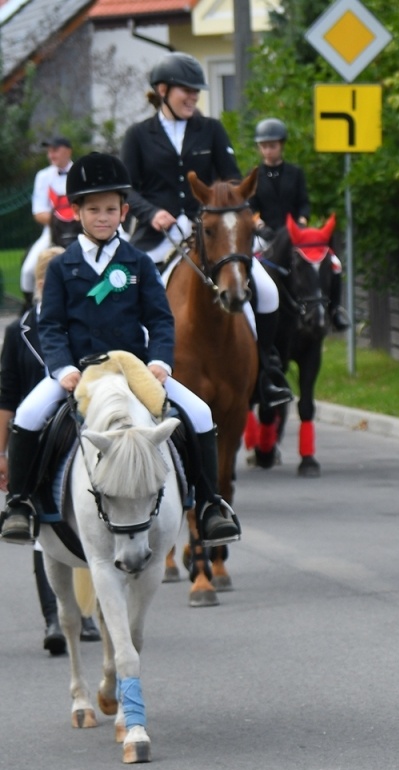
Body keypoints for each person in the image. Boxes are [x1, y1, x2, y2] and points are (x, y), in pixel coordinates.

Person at [0, 153, 241, 548]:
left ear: (124, 212)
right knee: (27, 415)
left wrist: (160, 362)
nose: (103, 217)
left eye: (111, 210)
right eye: (94, 209)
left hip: (134, 370)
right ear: (76, 212)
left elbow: (160, 320)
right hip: (78, 371)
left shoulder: (139, 263)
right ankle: (20, 504)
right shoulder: (62, 267)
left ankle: (210, 505)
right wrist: (62, 369)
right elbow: (52, 326)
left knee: (200, 413)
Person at [120, 53, 292, 408]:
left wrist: (222, 204)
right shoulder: (138, 135)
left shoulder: (211, 129)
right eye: (186, 90)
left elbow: (231, 177)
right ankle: (127, 374)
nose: (193, 97)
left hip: (213, 233)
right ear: (163, 91)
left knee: (268, 290)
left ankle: (267, 372)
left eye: (196, 92)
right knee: (126, 293)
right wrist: (152, 213)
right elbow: (127, 188)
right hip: (159, 235)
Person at [1, 245, 101, 653]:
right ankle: (55, 617)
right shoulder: (19, 332)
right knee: (45, 528)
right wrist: (2, 453)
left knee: (91, 517)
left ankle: (90, 610)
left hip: (82, 426)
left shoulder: (87, 322)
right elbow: (7, 396)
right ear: (41, 283)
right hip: (39, 438)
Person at [249, 117, 347, 331]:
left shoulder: (295, 173)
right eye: (264, 146)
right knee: (248, 267)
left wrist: (301, 222)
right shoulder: (254, 175)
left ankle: (335, 311)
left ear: (281, 146)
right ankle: (250, 314)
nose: (268, 151)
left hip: (294, 236)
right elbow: (251, 206)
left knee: (334, 263)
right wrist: (260, 226)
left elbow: (303, 203)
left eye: (272, 146)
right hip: (265, 235)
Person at [19, 136, 74, 299]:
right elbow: (39, 213)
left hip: (83, 230)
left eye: (55, 150)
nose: (51, 155)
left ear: (68, 151)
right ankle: (30, 306)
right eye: (49, 151)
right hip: (52, 232)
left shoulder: (81, 171)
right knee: (28, 271)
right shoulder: (43, 176)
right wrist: (64, 220)